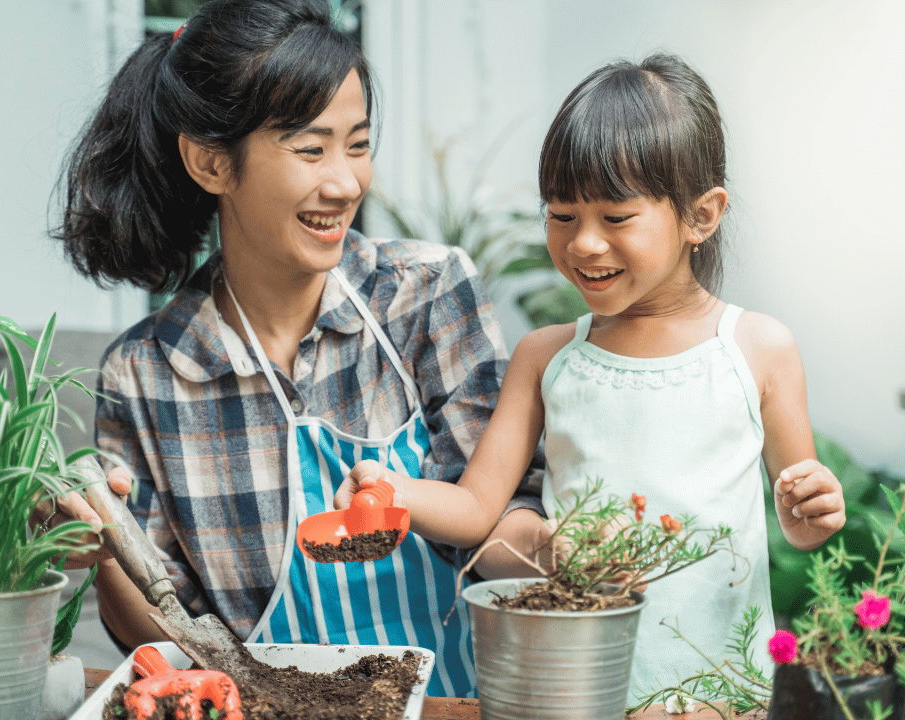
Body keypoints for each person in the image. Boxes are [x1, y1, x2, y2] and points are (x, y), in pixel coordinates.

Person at [45, 0, 544, 698]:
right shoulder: (148, 373)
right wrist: (104, 548)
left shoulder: (424, 296)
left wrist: (558, 553)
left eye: (359, 144)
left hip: (451, 704)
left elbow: (503, 517)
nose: (344, 183)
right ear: (211, 162)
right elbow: (161, 635)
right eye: (311, 149)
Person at [338, 52, 847, 692]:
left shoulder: (757, 348)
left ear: (701, 215)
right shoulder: (547, 357)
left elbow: (799, 523)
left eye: (615, 217)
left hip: (722, 688)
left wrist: (811, 510)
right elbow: (475, 508)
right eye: (562, 214)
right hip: (575, 684)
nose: (583, 243)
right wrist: (395, 489)